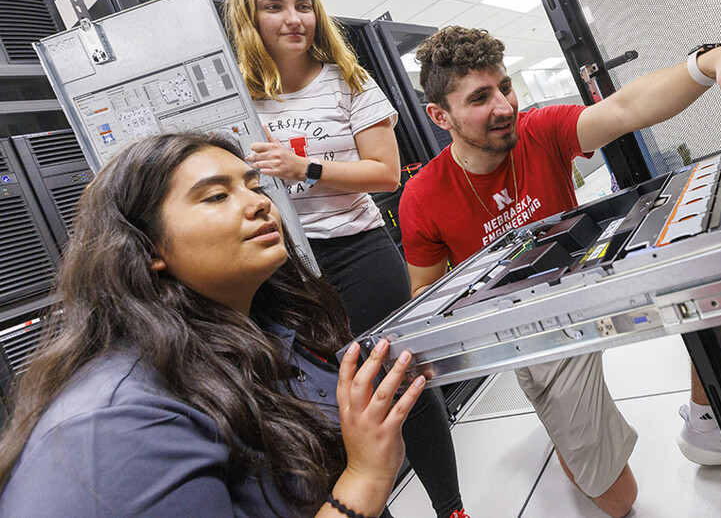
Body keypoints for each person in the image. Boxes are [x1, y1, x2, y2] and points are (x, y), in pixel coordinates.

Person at [399, 26, 721, 516]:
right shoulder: (423, 197)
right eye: (480, 98)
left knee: (713, 265)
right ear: (440, 116)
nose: (503, 106)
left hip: (590, 275)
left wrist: (707, 62)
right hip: (530, 326)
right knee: (619, 501)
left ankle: (706, 421)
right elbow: (427, 291)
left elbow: (625, 108)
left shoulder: (538, 131)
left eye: (504, 86)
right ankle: (565, 435)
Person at [0, 133, 423, 517]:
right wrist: (365, 478)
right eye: (217, 196)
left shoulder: (265, 328)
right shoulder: (117, 426)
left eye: (255, 187)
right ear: (148, 248)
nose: (260, 203)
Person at [225, 0, 466, 518]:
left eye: (303, 5)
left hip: (358, 251)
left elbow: (385, 172)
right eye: (274, 6)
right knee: (321, 400)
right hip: (282, 265)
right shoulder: (237, 95)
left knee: (402, 380)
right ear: (248, 17)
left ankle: (452, 508)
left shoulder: (348, 79)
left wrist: (303, 167)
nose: (294, 19)